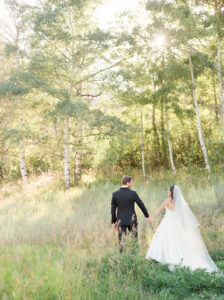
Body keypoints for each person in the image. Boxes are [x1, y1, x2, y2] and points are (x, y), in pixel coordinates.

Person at [146, 185, 218, 273]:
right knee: (177, 241)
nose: (167, 191)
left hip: (168, 223)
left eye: (168, 190)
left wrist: (150, 217)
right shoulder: (179, 202)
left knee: (165, 239)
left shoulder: (167, 201)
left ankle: (165, 259)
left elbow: (159, 209)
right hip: (176, 224)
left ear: (172, 192)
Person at [111, 175, 150, 253]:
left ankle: (122, 259)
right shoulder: (133, 193)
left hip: (121, 221)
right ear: (127, 183)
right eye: (131, 183)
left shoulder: (115, 194)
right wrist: (147, 216)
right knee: (134, 241)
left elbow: (113, 210)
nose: (131, 184)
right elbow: (141, 204)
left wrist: (114, 222)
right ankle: (134, 258)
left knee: (121, 241)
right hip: (132, 220)